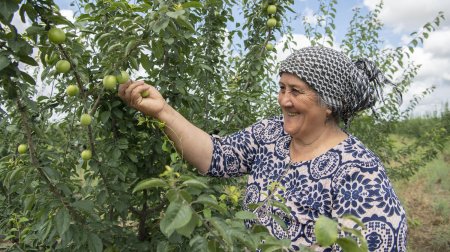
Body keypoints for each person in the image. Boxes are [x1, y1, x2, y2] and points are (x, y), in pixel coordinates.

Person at [118, 46, 407, 251]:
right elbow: (216, 156)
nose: (284, 100)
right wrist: (163, 111)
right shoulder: (271, 133)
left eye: (296, 91)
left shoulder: (358, 168)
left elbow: (383, 238)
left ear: (330, 104)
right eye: (282, 88)